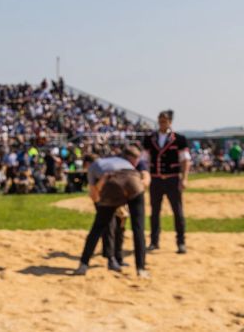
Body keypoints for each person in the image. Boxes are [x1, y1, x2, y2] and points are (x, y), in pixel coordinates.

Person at [75, 146, 149, 278]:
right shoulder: (122, 161)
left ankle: (83, 264)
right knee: (138, 228)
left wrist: (105, 206)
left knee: (98, 227)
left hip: (111, 182)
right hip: (133, 180)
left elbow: (94, 195)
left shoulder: (93, 168)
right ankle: (141, 269)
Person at [142, 110, 190, 254]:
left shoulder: (179, 139)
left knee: (178, 211)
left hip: (172, 179)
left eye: (165, 120)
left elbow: (185, 160)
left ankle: (181, 242)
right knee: (154, 212)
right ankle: (154, 241)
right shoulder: (150, 138)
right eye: (160, 120)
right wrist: (145, 175)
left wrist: (184, 178)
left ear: (170, 122)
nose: (162, 123)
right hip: (156, 179)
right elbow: (144, 159)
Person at [101, 150, 150, 269]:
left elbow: (146, 178)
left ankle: (118, 257)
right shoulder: (118, 164)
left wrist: (136, 188)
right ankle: (110, 258)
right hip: (112, 195)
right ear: (128, 157)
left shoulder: (139, 164)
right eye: (135, 159)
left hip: (129, 195)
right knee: (110, 226)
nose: (136, 162)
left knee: (121, 227)